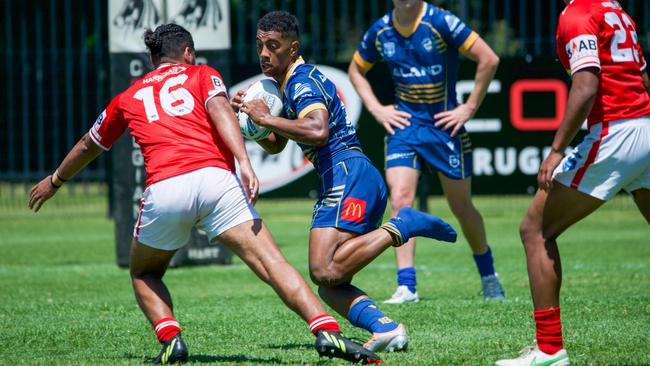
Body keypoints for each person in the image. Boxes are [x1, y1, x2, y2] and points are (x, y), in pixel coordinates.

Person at [28, 24, 383, 365]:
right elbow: (218, 110)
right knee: (273, 264)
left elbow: (91, 144)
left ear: (154, 60)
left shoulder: (128, 95)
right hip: (217, 181)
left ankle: (171, 339)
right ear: (187, 52)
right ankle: (326, 331)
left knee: (144, 274)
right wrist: (244, 162)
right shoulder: (201, 74)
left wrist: (55, 179)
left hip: (165, 189)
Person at [234, 11, 457, 354]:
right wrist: (256, 124)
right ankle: (385, 328)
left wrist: (266, 117)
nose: (264, 53)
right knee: (329, 283)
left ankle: (401, 225)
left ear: (292, 49)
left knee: (323, 268)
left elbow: (318, 131)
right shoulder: (289, 83)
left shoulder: (301, 81)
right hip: (347, 176)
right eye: (260, 45)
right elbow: (277, 145)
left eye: (273, 46)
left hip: (346, 173)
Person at [495, 0, 650, 365]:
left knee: (535, 230)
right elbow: (642, 79)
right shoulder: (617, 10)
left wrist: (555, 150)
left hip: (615, 132)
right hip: (645, 126)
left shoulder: (578, 13)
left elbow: (585, 86)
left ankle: (549, 349)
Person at [348, 0, 505, 303]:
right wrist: (377, 109)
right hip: (404, 129)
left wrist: (468, 108)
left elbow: (489, 59)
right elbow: (355, 70)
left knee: (462, 207)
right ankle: (407, 286)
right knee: (401, 200)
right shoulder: (381, 30)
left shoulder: (441, 22)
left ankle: (488, 274)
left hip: (445, 128)